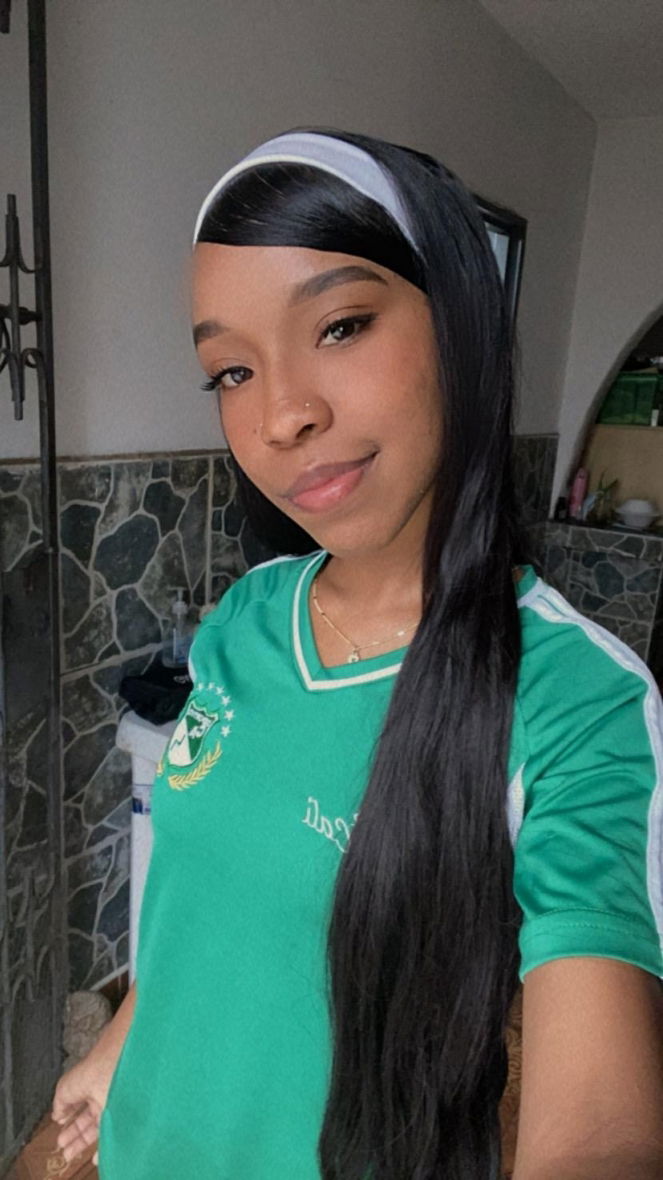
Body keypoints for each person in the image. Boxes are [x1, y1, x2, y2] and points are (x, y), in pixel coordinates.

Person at [51, 129, 663, 1180]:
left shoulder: (577, 699)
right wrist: (121, 1047)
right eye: (231, 370)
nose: (283, 415)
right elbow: (207, 902)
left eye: (340, 326)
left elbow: (601, 1132)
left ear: (461, 323)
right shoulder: (246, 618)